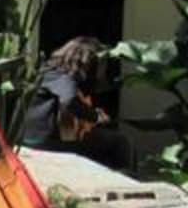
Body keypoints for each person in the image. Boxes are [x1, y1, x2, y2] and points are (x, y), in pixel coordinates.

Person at [20, 36, 135, 173]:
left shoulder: (47, 70)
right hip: (47, 143)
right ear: (86, 62)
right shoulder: (63, 76)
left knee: (102, 142)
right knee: (119, 143)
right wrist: (95, 117)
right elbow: (69, 101)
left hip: (28, 139)